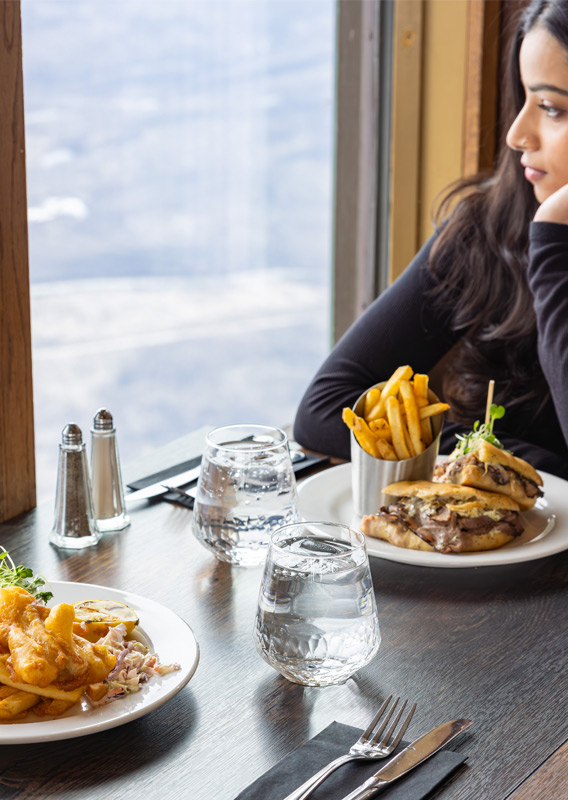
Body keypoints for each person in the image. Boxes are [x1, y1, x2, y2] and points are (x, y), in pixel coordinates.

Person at [293, 0, 568, 479]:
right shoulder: (487, 228)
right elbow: (323, 409)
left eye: (551, 108)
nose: (516, 134)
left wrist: (552, 244)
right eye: (522, 99)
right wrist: (506, 460)